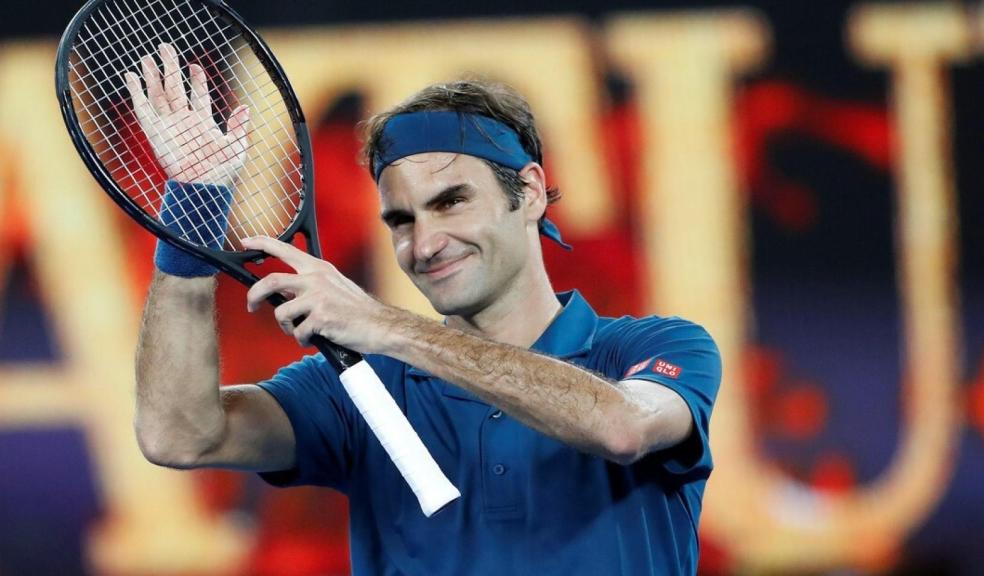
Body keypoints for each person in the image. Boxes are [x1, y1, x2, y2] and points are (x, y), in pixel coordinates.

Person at [130, 44, 721, 575]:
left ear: (532, 192)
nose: (426, 243)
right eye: (402, 220)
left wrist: (384, 326)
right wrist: (193, 211)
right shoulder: (354, 388)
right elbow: (180, 436)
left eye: (452, 202)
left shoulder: (657, 347)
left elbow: (622, 428)